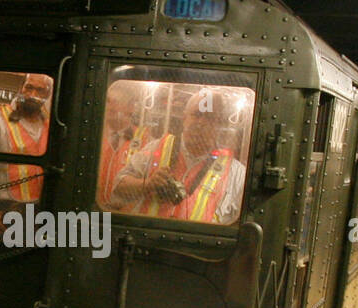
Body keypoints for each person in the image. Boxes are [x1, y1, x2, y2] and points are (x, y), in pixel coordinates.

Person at [112, 88, 248, 225]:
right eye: (197, 114)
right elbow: (118, 187)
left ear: (220, 124)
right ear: (184, 118)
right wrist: (147, 184)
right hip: (148, 239)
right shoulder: (156, 149)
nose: (201, 122)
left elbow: (241, 225)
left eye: (210, 117)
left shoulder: (236, 174)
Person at [0, 73, 52, 238]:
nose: (32, 95)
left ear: (47, 95)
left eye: (40, 90)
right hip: (6, 210)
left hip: (41, 212)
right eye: (29, 87)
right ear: (21, 88)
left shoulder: (50, 125)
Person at [97, 84, 146, 210]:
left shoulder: (145, 140)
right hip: (92, 210)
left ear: (131, 108)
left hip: (124, 216)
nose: (110, 107)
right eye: (108, 102)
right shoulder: (93, 134)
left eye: (116, 103)